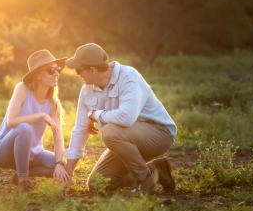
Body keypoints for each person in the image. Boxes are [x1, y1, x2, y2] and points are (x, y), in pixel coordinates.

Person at [64, 43, 176, 194]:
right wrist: (68, 172)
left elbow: (126, 118)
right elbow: (80, 129)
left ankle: (145, 182)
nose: (77, 74)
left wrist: (96, 114)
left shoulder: (128, 77)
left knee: (110, 133)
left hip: (159, 133)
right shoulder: (87, 90)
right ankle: (156, 169)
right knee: (97, 184)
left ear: (92, 69)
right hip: (125, 140)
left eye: (79, 70)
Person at [0, 49, 70, 189]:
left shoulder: (53, 102)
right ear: (38, 74)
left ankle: (25, 172)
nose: (57, 73)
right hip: (3, 152)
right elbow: (11, 120)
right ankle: (23, 179)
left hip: (33, 153)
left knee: (65, 167)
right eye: (51, 70)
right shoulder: (22, 89)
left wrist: (59, 164)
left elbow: (58, 136)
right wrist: (41, 115)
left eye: (58, 69)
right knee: (24, 128)